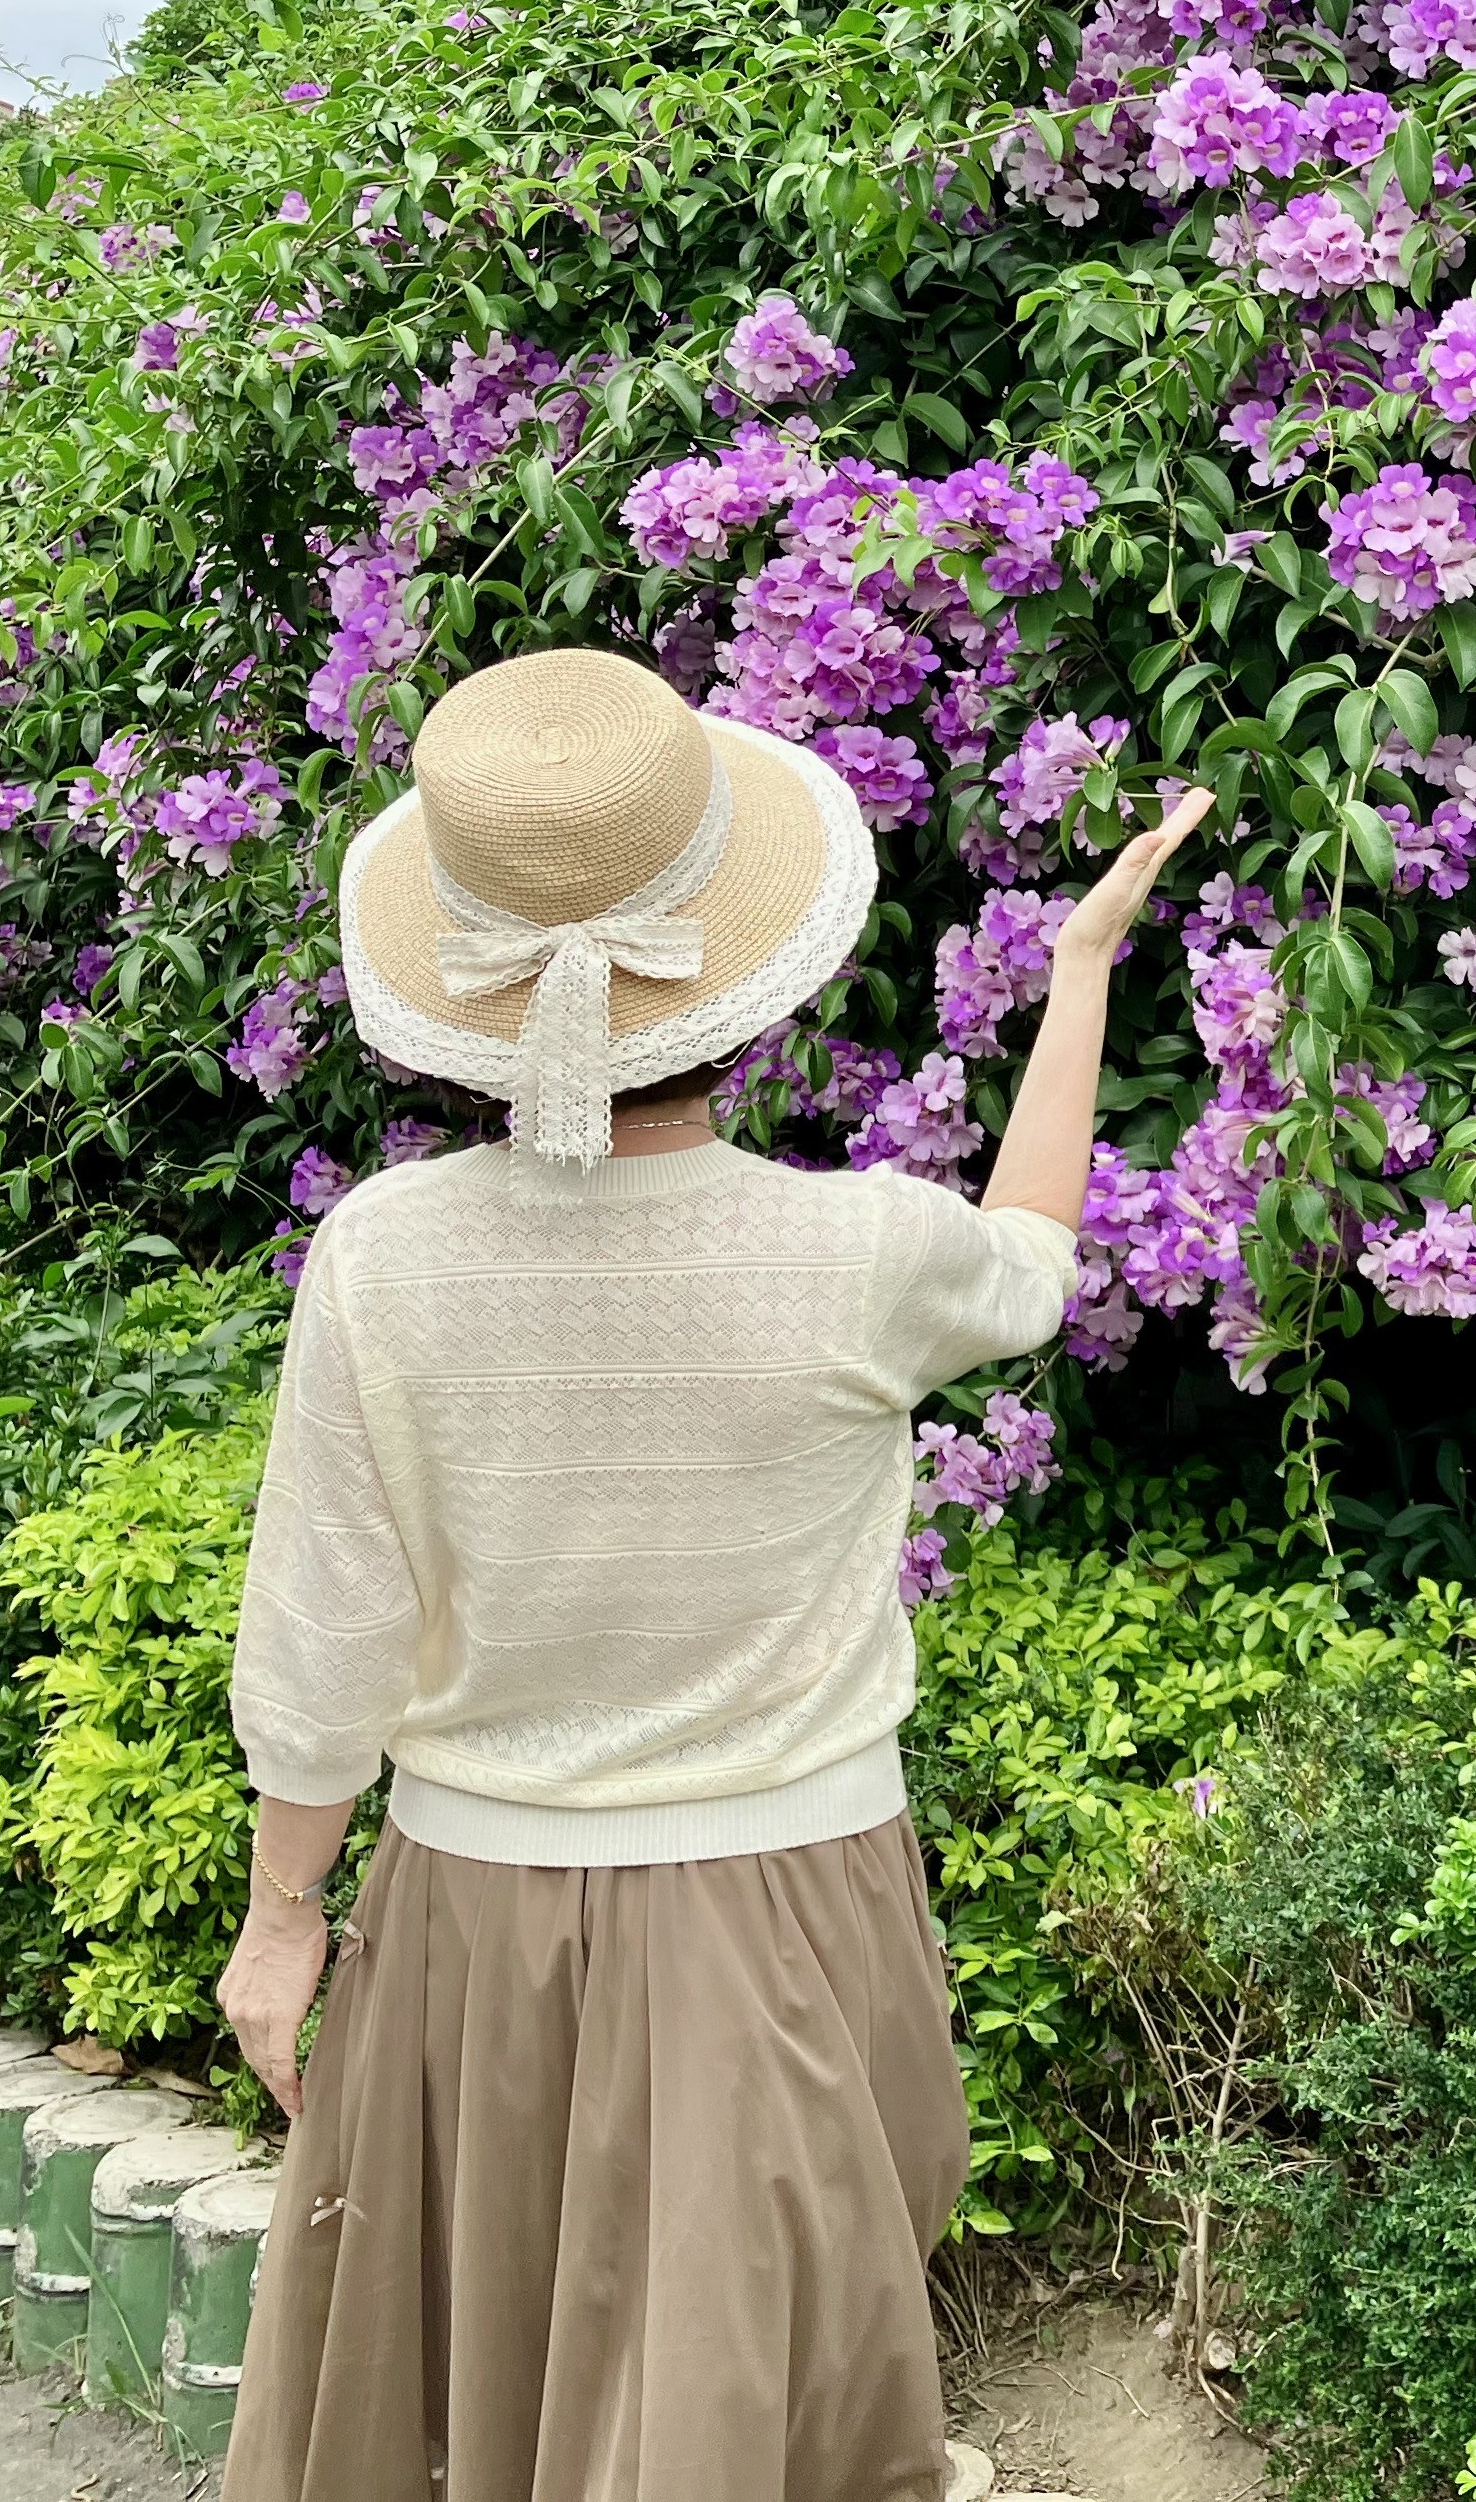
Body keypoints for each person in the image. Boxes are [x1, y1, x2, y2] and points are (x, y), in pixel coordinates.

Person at [215, 646, 1206, 2502]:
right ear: (748, 980)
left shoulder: (383, 1258)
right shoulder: (858, 1256)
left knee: (486, 2406)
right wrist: (1077, 976)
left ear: (469, 980)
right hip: (797, 1914)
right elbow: (1035, 1252)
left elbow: (323, 1630)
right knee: (747, 2419)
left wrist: (283, 1921)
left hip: (470, 1936)